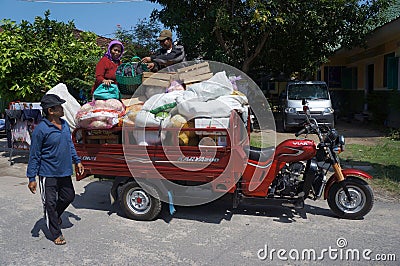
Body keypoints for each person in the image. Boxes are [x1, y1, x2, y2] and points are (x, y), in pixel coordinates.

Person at [27, 94, 84, 245]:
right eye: (59, 106)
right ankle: (55, 233)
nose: (62, 108)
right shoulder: (41, 130)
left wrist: (77, 161)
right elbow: (34, 155)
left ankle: (55, 215)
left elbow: (70, 145)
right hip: (47, 174)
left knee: (68, 196)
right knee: (50, 203)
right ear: (51, 111)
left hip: (64, 171)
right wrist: (31, 178)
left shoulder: (64, 125)